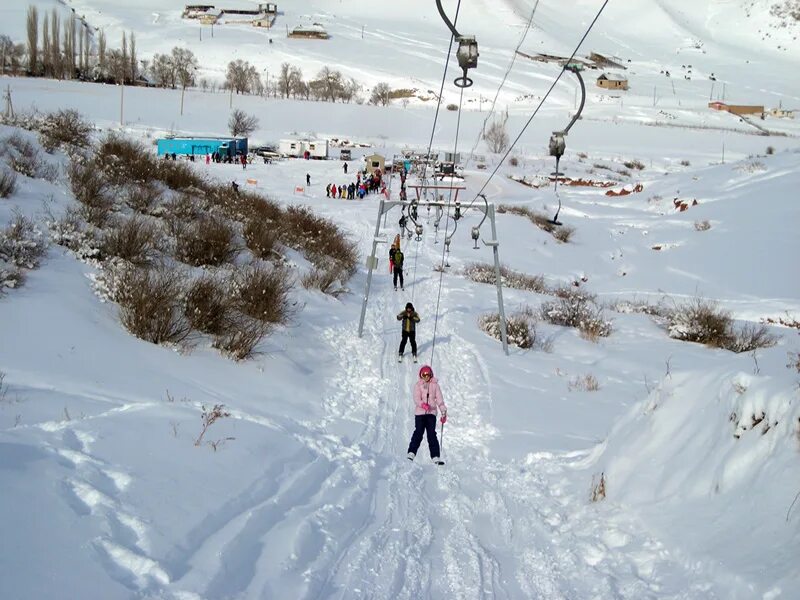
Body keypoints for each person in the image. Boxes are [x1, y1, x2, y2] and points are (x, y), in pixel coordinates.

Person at [407, 365, 447, 465]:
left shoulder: (435, 385)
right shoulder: (418, 385)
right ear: (421, 375)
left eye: (427, 374)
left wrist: (443, 412)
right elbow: (416, 398)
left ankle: (435, 456)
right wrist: (422, 404)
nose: (426, 376)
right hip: (420, 413)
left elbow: (439, 399)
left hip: (431, 413)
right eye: (423, 374)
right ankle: (411, 453)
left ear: (430, 374)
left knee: (431, 434)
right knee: (418, 432)